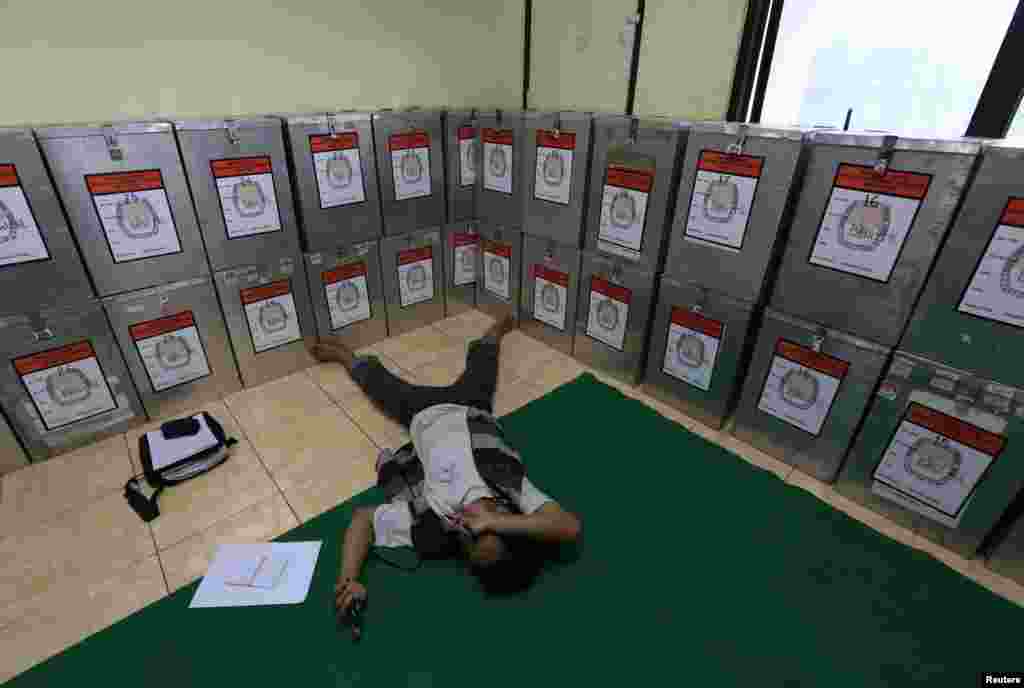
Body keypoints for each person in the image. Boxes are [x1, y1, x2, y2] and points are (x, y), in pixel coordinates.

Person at [310, 317, 582, 617]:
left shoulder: (434, 521)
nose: (469, 525)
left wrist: (349, 579)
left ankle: (345, 356)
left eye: (467, 539)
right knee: (484, 361)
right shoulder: (513, 489)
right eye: (483, 531)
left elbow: (363, 520)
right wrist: (494, 521)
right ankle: (495, 331)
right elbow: (568, 526)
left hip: (421, 412)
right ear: (506, 520)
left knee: (379, 385)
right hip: (472, 406)